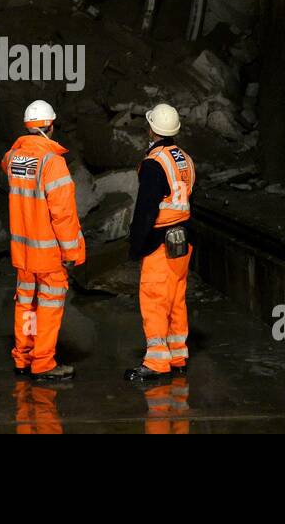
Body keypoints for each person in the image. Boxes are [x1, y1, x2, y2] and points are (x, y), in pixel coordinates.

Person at [0, 99, 85, 381]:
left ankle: (23, 357)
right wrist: (72, 251)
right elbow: (63, 215)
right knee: (48, 305)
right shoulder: (53, 163)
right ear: (50, 125)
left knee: (26, 302)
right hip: (48, 253)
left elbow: (10, 162)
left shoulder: (13, 158)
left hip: (22, 251)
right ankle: (43, 363)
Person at [125, 103, 195, 381]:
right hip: (183, 239)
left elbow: (146, 211)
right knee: (176, 300)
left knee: (154, 301)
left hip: (160, 243)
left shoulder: (154, 164)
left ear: (151, 129)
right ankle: (178, 355)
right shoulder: (185, 159)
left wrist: (136, 245)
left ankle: (156, 362)